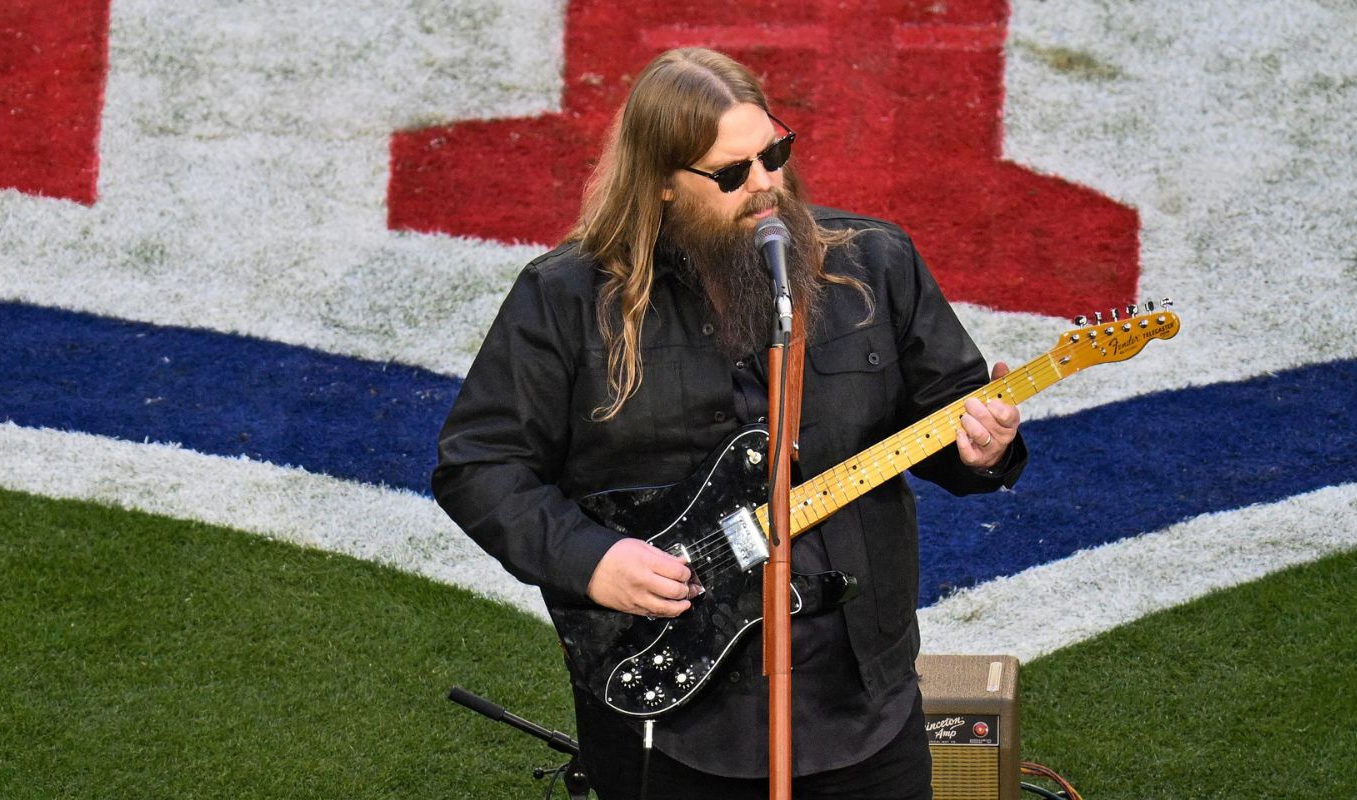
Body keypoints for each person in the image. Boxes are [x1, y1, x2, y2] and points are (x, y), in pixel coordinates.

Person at [432, 47, 1027, 799]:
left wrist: (983, 449)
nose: (766, 185)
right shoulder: (566, 301)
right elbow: (479, 464)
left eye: (773, 154)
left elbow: (950, 421)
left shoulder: (874, 265)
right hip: (669, 720)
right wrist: (591, 560)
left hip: (862, 698)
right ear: (662, 187)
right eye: (731, 173)